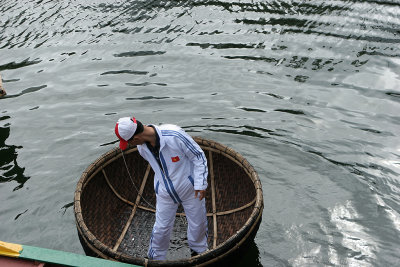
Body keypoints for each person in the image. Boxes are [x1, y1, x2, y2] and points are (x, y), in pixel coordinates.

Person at [115, 116, 208, 260]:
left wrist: (200, 184)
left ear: (135, 138)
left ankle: (199, 251)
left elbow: (198, 156)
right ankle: (155, 259)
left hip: (190, 190)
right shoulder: (142, 148)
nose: (131, 145)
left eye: (129, 142)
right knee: (161, 228)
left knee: (198, 223)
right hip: (164, 192)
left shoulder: (175, 135)